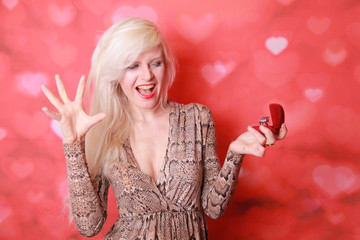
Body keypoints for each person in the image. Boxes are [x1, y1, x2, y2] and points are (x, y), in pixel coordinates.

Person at [41, 17, 287, 240]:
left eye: (155, 63)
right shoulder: (105, 129)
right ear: (116, 75)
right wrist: (73, 146)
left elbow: (212, 209)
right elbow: (89, 226)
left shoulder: (197, 118)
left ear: (166, 66)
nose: (147, 76)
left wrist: (234, 154)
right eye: (132, 66)